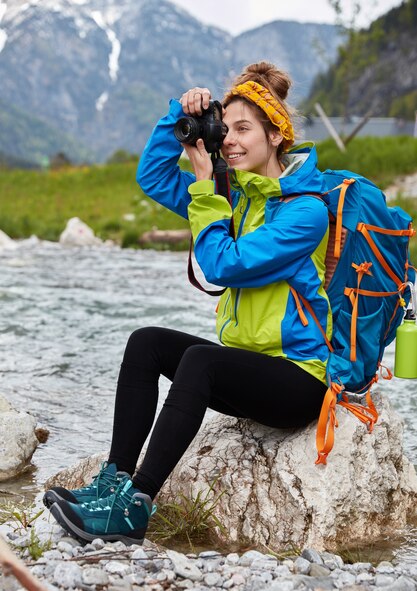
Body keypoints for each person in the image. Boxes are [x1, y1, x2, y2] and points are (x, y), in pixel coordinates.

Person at [44, 61, 331, 546]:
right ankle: (111, 483)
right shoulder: (236, 198)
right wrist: (181, 114)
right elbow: (153, 177)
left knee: (200, 361)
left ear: (277, 136)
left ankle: (134, 507)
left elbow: (223, 265)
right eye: (227, 129)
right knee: (146, 343)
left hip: (299, 379)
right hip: (249, 367)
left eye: (244, 129)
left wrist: (205, 189)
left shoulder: (306, 211)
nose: (231, 141)